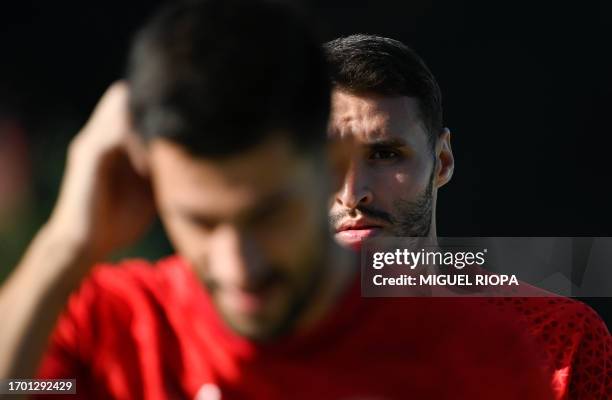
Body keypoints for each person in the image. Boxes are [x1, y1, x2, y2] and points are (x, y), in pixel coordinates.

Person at [0, 2, 556, 399]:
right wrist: (63, 243)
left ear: (331, 167)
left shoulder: (477, 358)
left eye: (267, 214)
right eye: (199, 220)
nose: (238, 263)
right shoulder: (110, 330)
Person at [324, 34, 611, 399]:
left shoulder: (558, 338)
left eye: (384, 155)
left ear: (441, 162)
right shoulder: (242, 351)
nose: (351, 193)